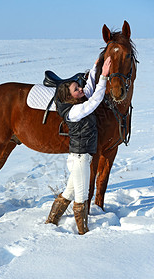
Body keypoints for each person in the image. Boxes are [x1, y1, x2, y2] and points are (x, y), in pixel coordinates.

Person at [45, 56, 111, 234]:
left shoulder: (76, 102)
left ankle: (51, 221)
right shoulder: (73, 111)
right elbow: (94, 101)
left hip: (80, 157)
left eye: (78, 86)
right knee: (81, 196)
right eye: (76, 89)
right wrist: (104, 77)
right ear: (69, 96)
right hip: (80, 158)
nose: (80, 89)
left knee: (69, 192)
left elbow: (89, 88)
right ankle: (83, 232)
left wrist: (96, 67)